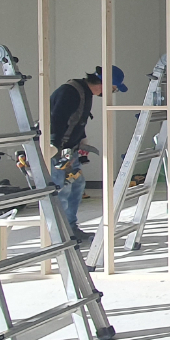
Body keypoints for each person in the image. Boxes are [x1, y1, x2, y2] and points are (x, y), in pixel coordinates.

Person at [48, 65, 127, 244]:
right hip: (56, 150)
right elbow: (56, 120)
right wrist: (54, 148)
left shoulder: (85, 93)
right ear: (105, 83)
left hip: (70, 150)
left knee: (77, 184)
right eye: (113, 89)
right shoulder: (70, 92)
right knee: (61, 190)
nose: (112, 93)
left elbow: (77, 120)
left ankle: (71, 228)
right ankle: (59, 236)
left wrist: (81, 141)